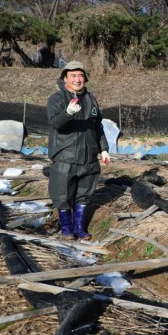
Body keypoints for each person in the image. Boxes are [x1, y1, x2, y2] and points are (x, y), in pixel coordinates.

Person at [47, 61, 110, 240]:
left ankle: (80, 227)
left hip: (89, 157)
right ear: (65, 78)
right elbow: (55, 124)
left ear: (85, 78)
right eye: (73, 75)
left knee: (85, 193)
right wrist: (67, 113)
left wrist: (103, 149)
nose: (77, 79)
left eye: (80, 75)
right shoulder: (57, 99)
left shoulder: (90, 99)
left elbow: (98, 126)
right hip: (65, 156)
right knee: (62, 193)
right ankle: (67, 228)